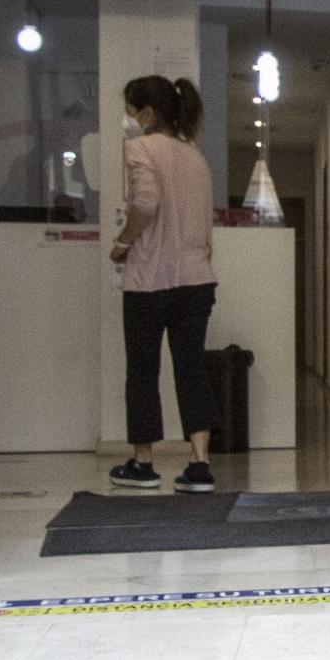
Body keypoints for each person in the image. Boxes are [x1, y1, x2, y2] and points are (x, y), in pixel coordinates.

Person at [108, 75, 219, 495]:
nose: (129, 119)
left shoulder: (139, 147)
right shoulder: (196, 158)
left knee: (142, 370)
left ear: (148, 113)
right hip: (197, 281)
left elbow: (145, 204)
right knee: (191, 367)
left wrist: (122, 243)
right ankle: (199, 464)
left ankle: (143, 463)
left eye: (130, 110)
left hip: (149, 280)